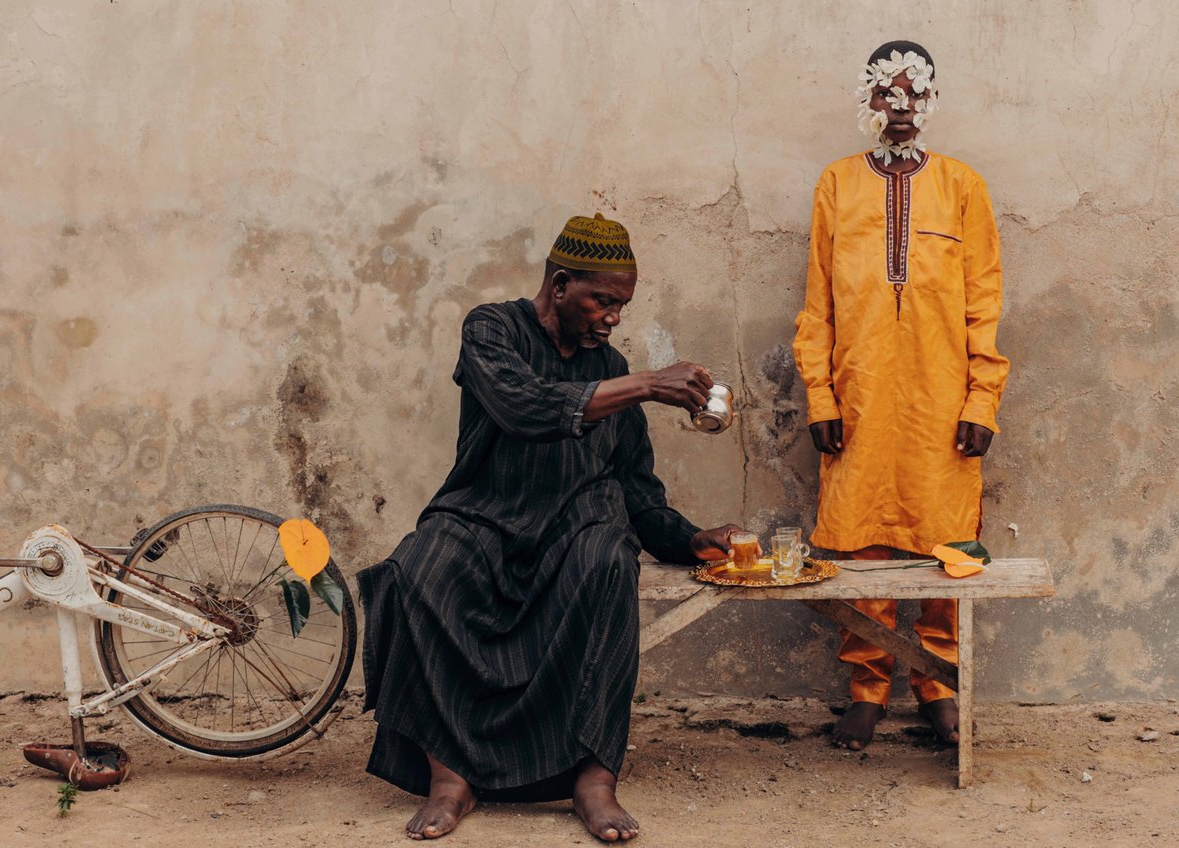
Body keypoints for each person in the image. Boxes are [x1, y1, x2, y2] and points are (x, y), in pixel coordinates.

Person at [358, 213, 748, 841]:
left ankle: (593, 779)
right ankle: (448, 775)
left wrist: (689, 539)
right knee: (416, 568)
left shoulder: (611, 364)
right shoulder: (493, 329)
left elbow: (638, 492)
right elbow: (523, 406)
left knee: (608, 560)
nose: (613, 317)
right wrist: (647, 382)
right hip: (485, 512)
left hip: (577, 523)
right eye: (603, 300)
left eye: (622, 305)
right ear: (560, 284)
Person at [793, 41, 1010, 751]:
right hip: (859, 399)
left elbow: (984, 303)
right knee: (864, 550)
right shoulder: (836, 184)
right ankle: (865, 689)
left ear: (932, 100)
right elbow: (818, 304)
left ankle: (938, 684)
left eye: (914, 93)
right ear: (867, 98)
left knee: (942, 545)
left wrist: (981, 402)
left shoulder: (962, 185)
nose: (901, 106)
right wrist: (821, 398)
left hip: (939, 403)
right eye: (887, 92)